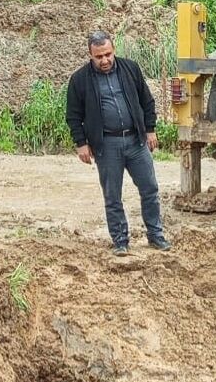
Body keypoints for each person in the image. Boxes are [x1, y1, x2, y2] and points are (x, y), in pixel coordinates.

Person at [66, 31, 170, 255]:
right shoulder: (80, 80)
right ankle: (120, 241)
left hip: (136, 141)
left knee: (149, 189)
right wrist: (81, 143)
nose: (104, 60)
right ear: (90, 55)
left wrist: (150, 129)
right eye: (98, 57)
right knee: (113, 196)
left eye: (107, 54)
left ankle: (155, 235)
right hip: (107, 145)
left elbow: (147, 101)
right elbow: (73, 116)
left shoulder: (130, 69)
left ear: (114, 50)